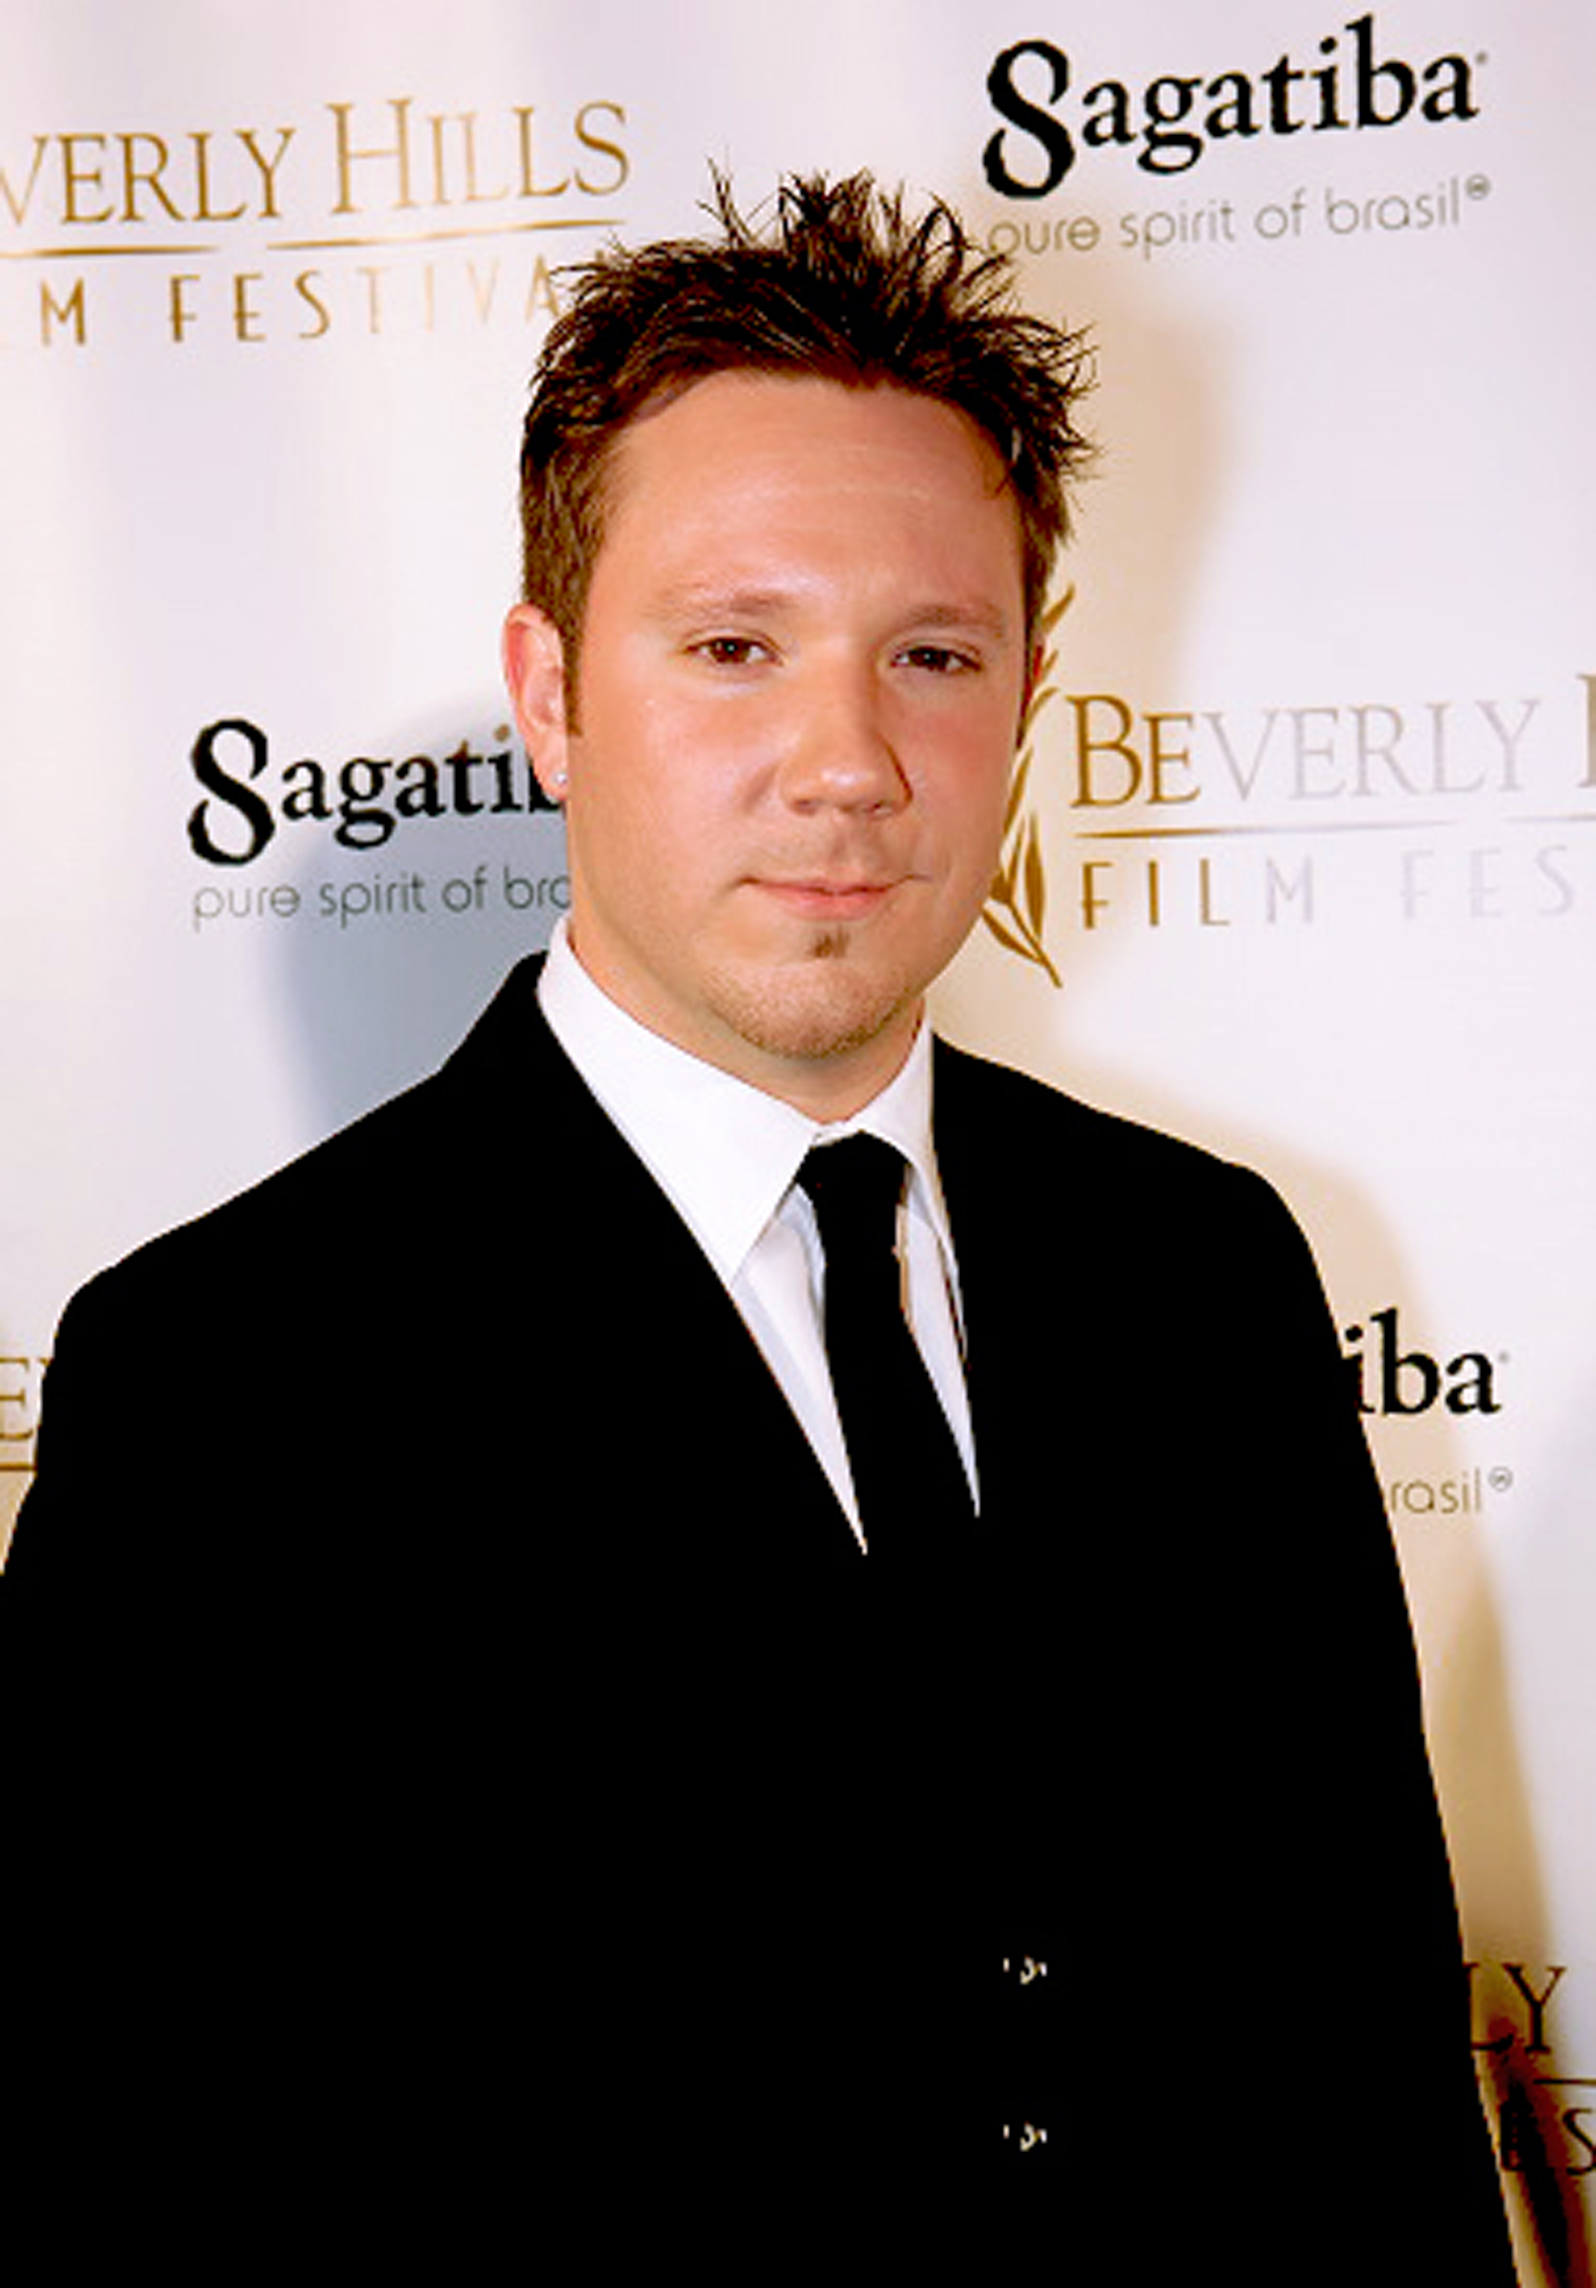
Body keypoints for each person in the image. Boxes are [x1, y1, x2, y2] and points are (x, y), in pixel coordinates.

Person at [7, 175, 1514, 2268]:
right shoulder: (230, 1374)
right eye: (734, 648)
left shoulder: (1207, 1270)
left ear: (1027, 698)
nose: (847, 761)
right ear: (550, 691)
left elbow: (1367, 2089)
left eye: (932, 653)